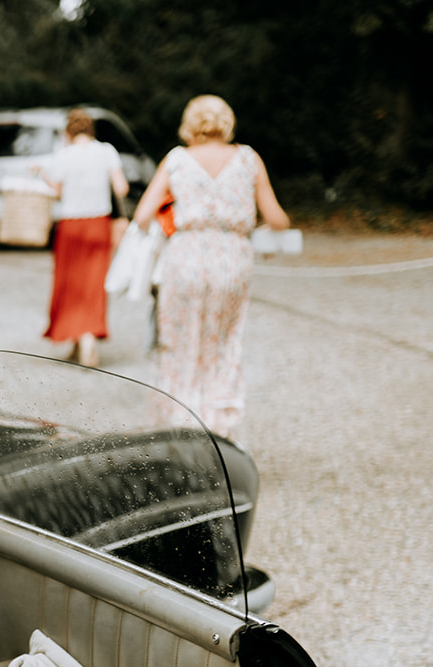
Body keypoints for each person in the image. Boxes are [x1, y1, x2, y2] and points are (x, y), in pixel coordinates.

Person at [131, 94, 288, 436]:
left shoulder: (176, 160)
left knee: (180, 341)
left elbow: (142, 216)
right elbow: (277, 218)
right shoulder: (248, 159)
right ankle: (219, 426)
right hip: (233, 258)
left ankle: (180, 424)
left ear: (190, 124)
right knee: (225, 341)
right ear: (226, 122)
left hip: (185, 257)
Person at [35, 108, 127, 366]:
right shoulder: (106, 151)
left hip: (72, 225)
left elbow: (59, 192)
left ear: (70, 131)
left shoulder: (63, 155)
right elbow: (122, 187)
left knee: (71, 283)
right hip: (99, 224)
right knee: (94, 283)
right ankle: (85, 340)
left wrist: (43, 174)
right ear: (91, 129)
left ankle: (79, 336)